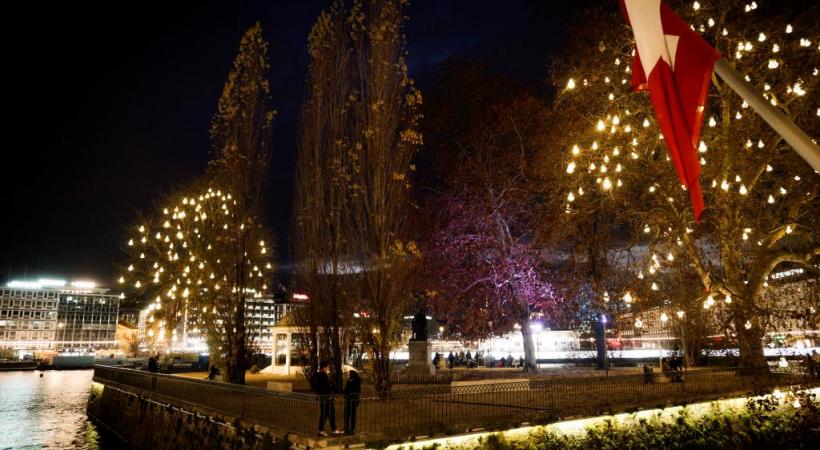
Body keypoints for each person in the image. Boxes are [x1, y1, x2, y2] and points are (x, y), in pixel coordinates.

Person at [314, 361, 339, 436]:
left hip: (323, 397)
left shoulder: (318, 375)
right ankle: (321, 430)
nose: (328, 368)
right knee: (325, 414)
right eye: (327, 367)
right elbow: (327, 387)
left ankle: (333, 428)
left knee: (329, 413)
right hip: (326, 398)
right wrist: (332, 387)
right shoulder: (323, 375)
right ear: (324, 367)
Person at [343, 370, 361, 435]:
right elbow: (346, 390)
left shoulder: (356, 381)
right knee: (347, 415)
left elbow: (357, 391)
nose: (348, 375)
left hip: (352, 400)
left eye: (349, 374)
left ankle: (351, 429)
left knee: (351, 415)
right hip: (348, 400)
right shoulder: (349, 381)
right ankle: (347, 428)